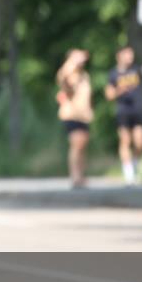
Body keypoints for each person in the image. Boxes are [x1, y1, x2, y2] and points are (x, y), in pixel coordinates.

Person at [104, 46, 142, 184]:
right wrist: (118, 91)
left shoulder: (135, 70)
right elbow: (108, 95)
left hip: (138, 110)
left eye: (131, 54)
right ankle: (128, 173)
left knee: (140, 142)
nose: (130, 57)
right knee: (125, 141)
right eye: (127, 54)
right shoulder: (113, 74)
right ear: (119, 56)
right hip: (123, 111)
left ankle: (134, 164)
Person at [56, 49, 93, 188]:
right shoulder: (67, 73)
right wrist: (72, 63)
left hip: (83, 115)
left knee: (83, 145)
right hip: (71, 113)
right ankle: (75, 176)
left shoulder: (84, 76)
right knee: (76, 144)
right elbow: (65, 82)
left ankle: (81, 175)